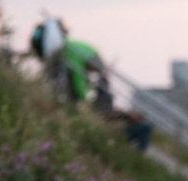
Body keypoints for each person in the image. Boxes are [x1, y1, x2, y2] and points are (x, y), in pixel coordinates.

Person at [30, 18, 152, 150]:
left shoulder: (74, 52)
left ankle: (129, 130)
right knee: (142, 126)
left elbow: (82, 86)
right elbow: (80, 86)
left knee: (113, 108)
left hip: (96, 106)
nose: (96, 70)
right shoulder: (76, 56)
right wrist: (86, 95)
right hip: (95, 110)